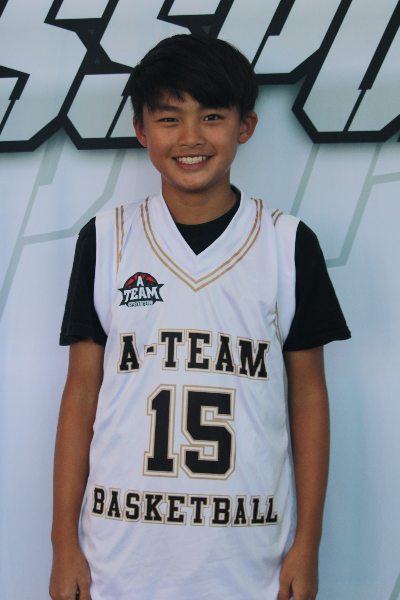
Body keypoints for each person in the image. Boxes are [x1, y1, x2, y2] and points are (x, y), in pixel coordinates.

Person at [50, 33, 350, 600]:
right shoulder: (108, 239)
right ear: (141, 129)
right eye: (169, 118)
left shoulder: (286, 243)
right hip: (119, 556)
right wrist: (63, 542)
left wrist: (307, 543)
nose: (190, 137)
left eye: (212, 116)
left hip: (249, 559)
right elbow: (82, 391)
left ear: (245, 126)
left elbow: (309, 395)